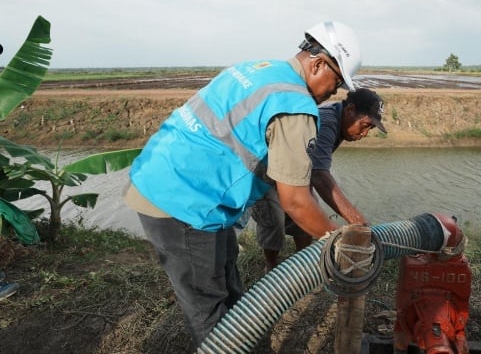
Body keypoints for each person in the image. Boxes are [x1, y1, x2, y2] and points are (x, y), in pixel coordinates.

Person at [123, 20, 362, 347]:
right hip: (183, 202)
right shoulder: (296, 105)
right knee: (209, 307)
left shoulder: (257, 68)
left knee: (230, 284)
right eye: (337, 81)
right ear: (319, 63)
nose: (335, 92)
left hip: (167, 178)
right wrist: (341, 243)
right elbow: (295, 202)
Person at [252, 88, 386, 272]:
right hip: (265, 170)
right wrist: (358, 222)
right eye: (365, 125)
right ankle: (271, 267)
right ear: (350, 110)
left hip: (291, 170)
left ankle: (303, 264)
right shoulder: (327, 121)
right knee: (273, 220)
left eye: (370, 129)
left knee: (307, 212)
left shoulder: (340, 122)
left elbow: (311, 165)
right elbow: (319, 174)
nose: (365, 134)